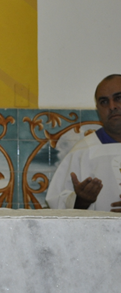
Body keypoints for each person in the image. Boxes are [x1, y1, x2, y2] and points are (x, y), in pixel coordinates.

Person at [46, 74, 121, 212]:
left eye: (119, 98)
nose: (112, 106)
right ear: (98, 109)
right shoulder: (82, 152)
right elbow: (57, 205)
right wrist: (81, 201)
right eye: (104, 102)